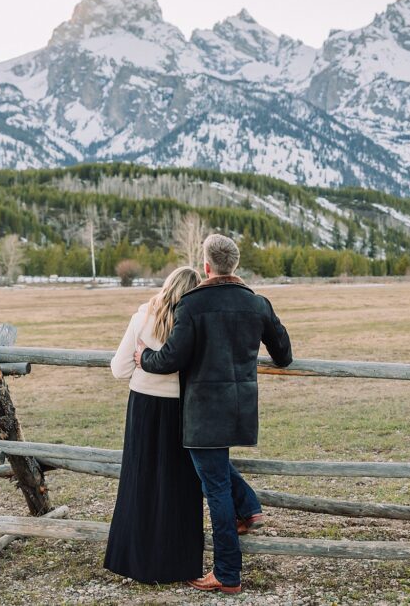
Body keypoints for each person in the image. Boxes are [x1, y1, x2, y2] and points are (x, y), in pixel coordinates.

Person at [136, 234, 293, 594]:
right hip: (240, 407)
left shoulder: (192, 305)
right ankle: (249, 508)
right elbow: (283, 353)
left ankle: (227, 573)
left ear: (206, 266)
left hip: (203, 411)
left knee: (215, 487)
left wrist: (143, 356)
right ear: (233, 265)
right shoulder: (257, 304)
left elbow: (170, 359)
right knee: (216, 475)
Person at [103, 266, 205, 584]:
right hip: (180, 408)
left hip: (144, 405)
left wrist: (141, 359)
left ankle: (136, 562)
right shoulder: (195, 321)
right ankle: (178, 564)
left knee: (140, 480)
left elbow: (119, 369)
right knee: (179, 486)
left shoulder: (143, 317)